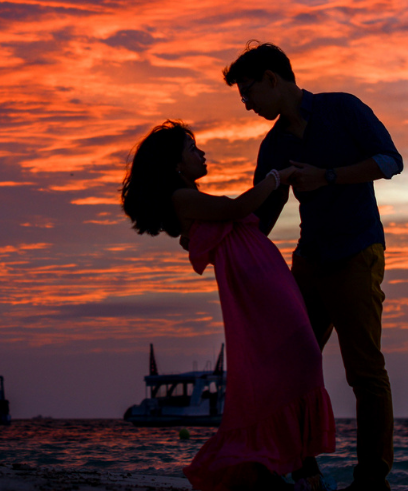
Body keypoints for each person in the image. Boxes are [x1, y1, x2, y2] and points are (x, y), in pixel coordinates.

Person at [223, 43, 402, 491]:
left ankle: (372, 480)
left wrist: (329, 175)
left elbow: (390, 161)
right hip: (308, 261)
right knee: (289, 364)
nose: (246, 104)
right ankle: (303, 471)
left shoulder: (343, 110)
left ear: (271, 78)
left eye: (248, 92)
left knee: (364, 370)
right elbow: (262, 217)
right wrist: (223, 245)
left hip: (358, 253)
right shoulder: (274, 145)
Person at [122, 121, 335, 491]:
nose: (200, 154)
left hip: (264, 277)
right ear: (175, 165)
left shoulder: (190, 198)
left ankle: (294, 467)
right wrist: (276, 176)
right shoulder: (181, 197)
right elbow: (240, 207)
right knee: (301, 358)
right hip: (256, 286)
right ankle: (293, 467)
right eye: (191, 149)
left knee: (296, 362)